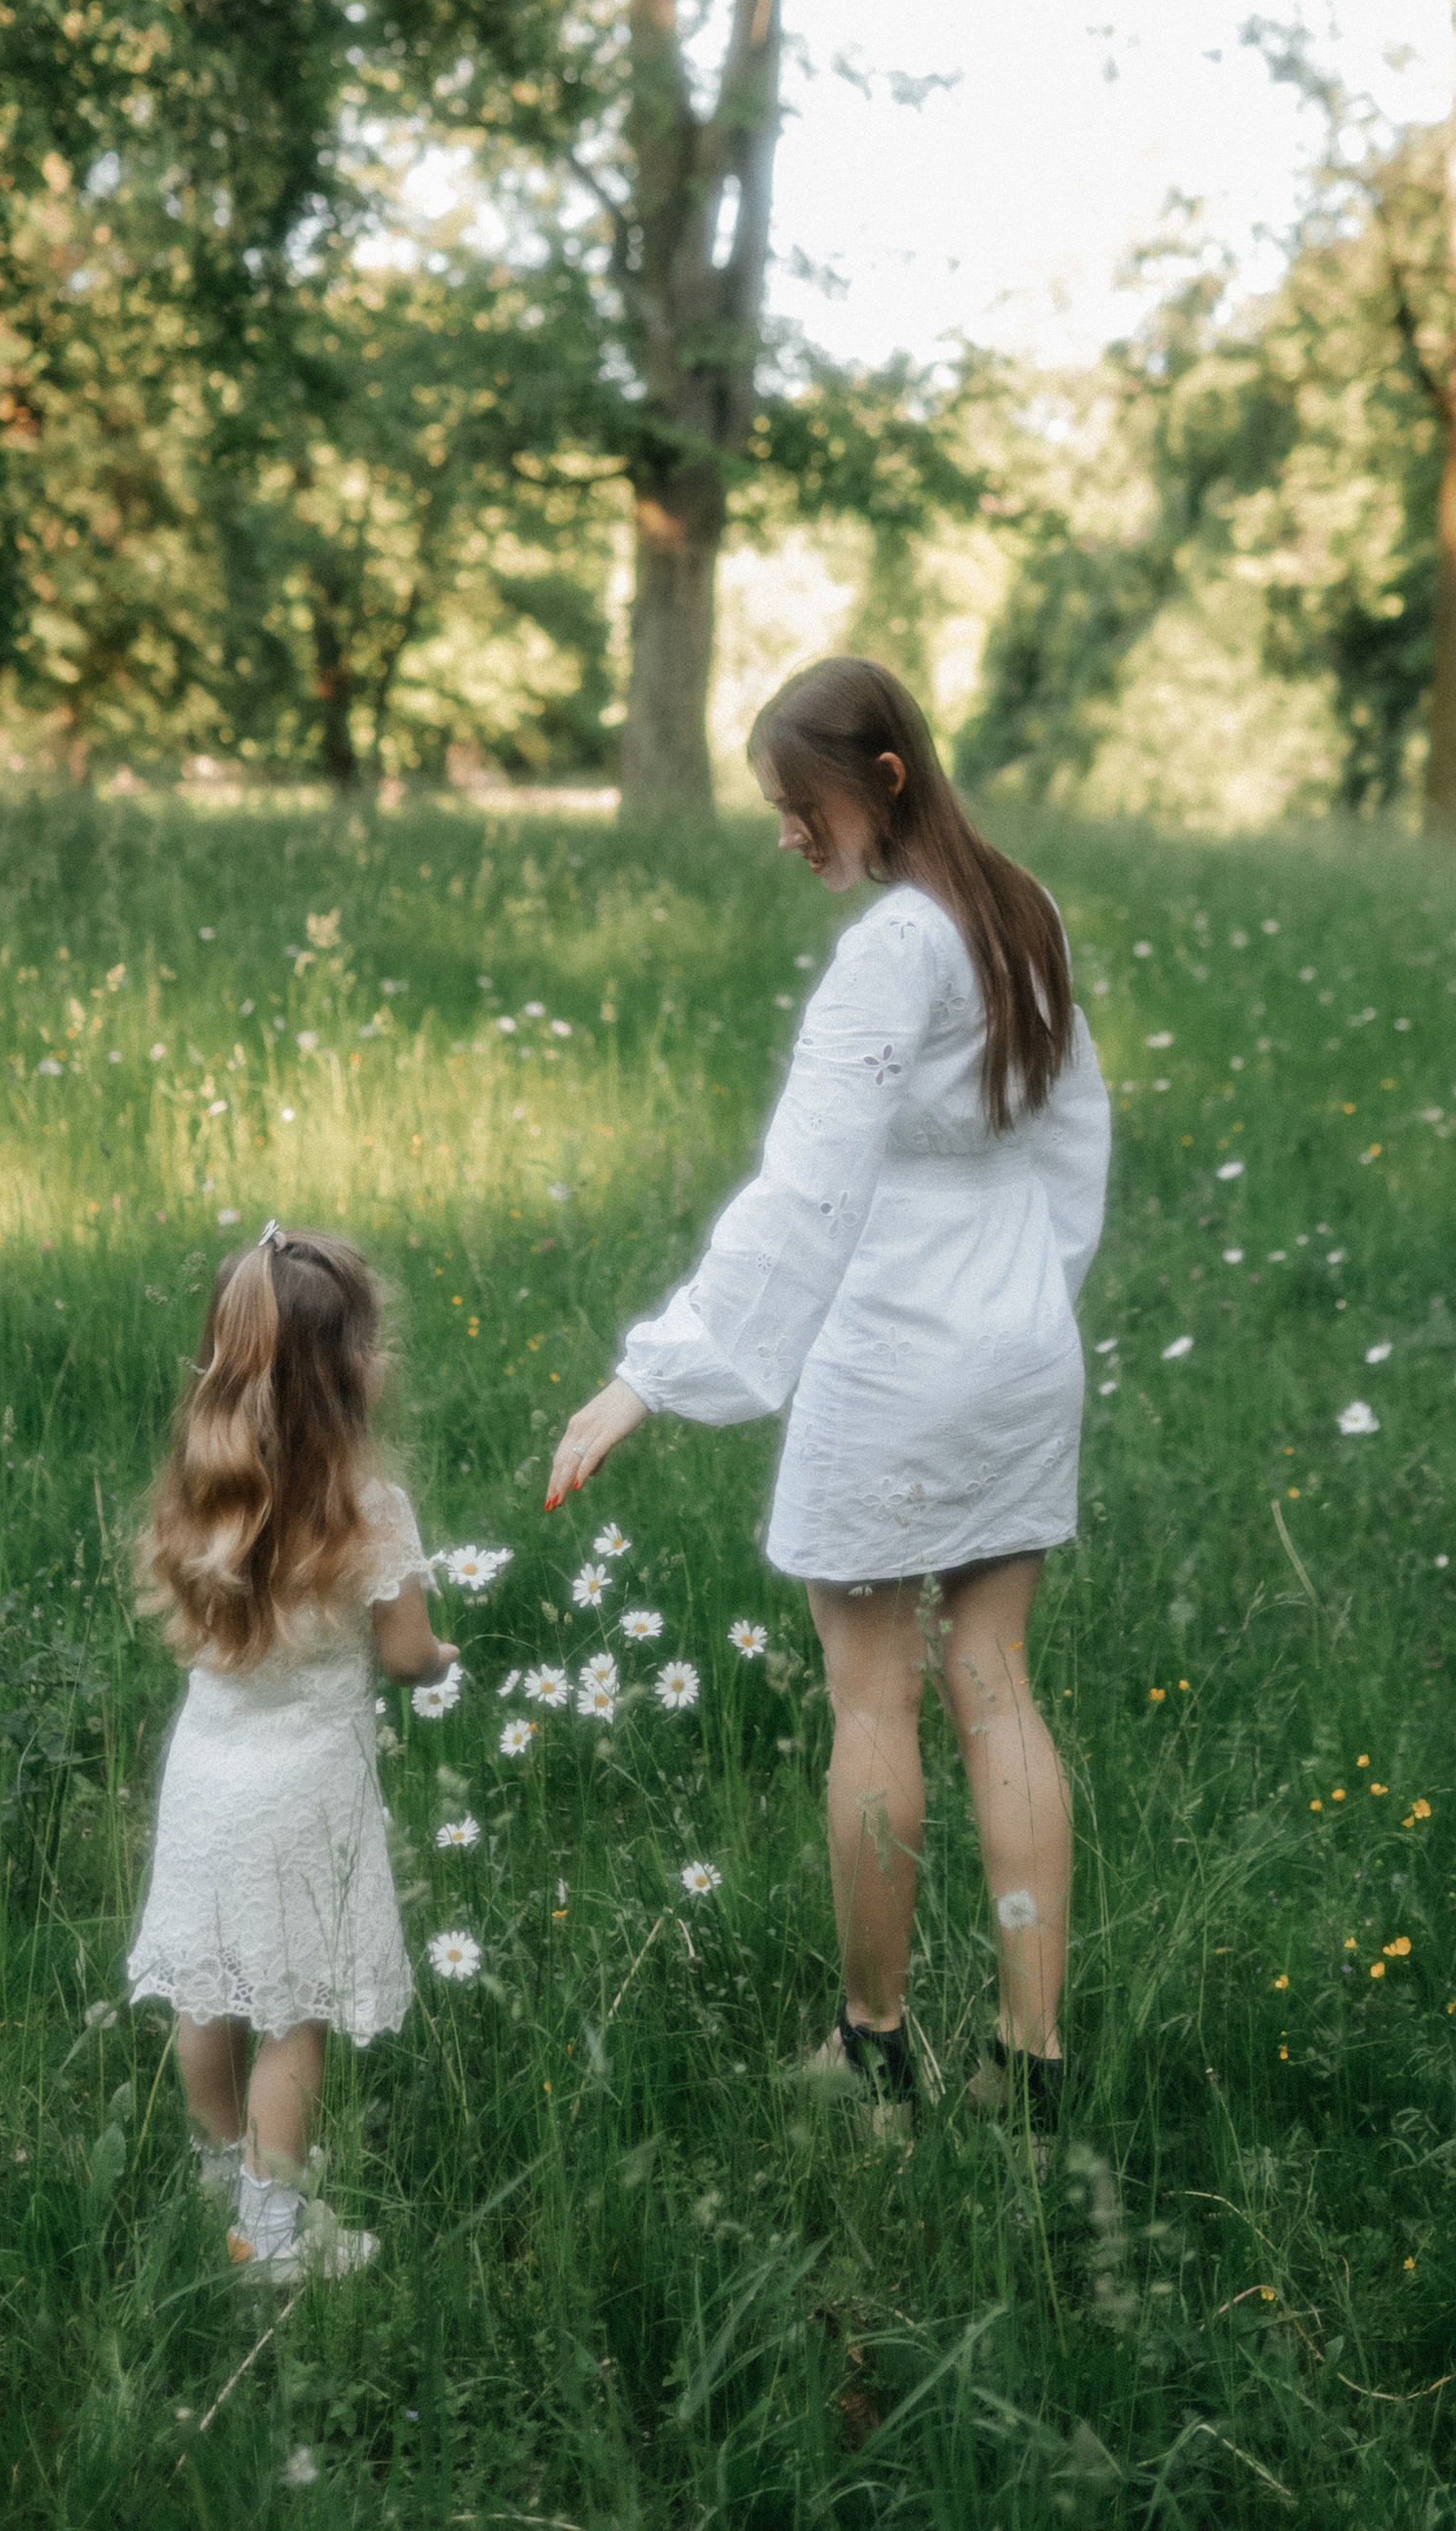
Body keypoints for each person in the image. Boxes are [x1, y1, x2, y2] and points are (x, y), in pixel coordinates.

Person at [545, 656, 1111, 2132]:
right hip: (1017, 1344)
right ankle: (1030, 2066)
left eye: (801, 808)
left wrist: (645, 1379)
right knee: (997, 1689)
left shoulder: (894, 952)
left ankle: (873, 2052)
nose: (789, 836)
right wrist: (1033, 1298)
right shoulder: (1022, 907)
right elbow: (1071, 1139)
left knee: (874, 1699)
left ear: (885, 781)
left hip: (904, 1353)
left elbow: (808, 1192)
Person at [127, 1219, 454, 2276]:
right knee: (294, 2010)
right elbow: (406, 1658)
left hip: (207, 1782)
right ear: (349, 1369)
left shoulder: (200, 1488)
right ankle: (270, 2241)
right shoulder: (369, 1509)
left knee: (207, 1986)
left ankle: (220, 2179)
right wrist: (442, 1651)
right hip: (305, 1791)